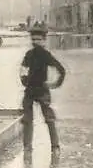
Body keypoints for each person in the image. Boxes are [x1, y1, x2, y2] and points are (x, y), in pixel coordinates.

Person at [19, 22, 66, 156]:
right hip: (29, 91)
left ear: (44, 40)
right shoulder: (28, 54)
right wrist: (24, 81)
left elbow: (61, 70)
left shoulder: (46, 55)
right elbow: (22, 70)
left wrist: (54, 84)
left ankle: (55, 146)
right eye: (33, 39)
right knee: (27, 120)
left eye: (38, 39)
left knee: (49, 119)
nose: (35, 42)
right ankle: (27, 148)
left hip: (42, 90)